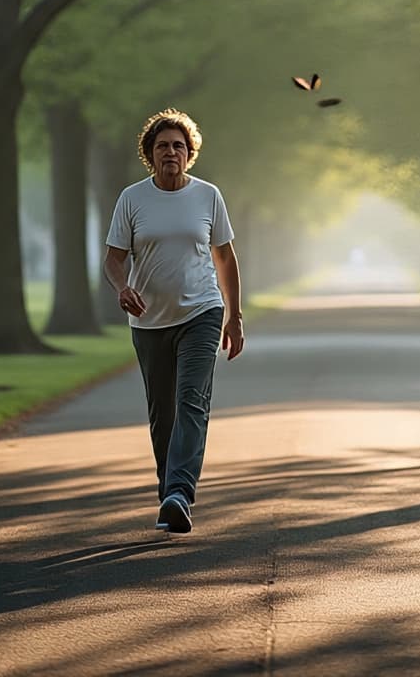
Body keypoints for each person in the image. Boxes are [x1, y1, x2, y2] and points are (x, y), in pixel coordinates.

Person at [103, 107, 244, 534]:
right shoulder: (132, 198)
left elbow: (225, 257)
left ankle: (180, 492)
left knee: (191, 402)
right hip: (149, 322)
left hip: (201, 311)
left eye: (178, 146)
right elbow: (113, 258)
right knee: (161, 413)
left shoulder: (208, 196)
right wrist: (122, 287)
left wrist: (234, 316)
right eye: (162, 146)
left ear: (189, 153)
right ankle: (169, 495)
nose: (171, 152)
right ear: (150, 153)